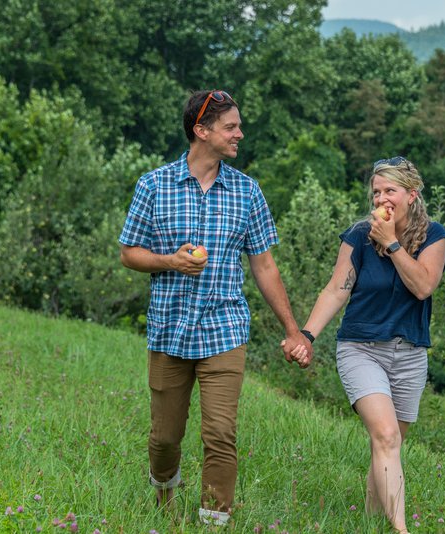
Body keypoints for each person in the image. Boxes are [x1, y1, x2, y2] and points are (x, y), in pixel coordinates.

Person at [119, 89, 312, 526]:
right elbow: (129, 253)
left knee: (221, 433)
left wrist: (293, 329)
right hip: (169, 329)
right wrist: (170, 261)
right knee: (165, 438)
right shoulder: (154, 186)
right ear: (201, 131)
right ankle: (164, 498)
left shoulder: (247, 191)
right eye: (231, 127)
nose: (239, 134)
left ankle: (213, 522)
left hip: (224, 329)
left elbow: (264, 266)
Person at [287, 157, 445, 534]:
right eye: (376, 192)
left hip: (410, 354)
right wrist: (307, 335)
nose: (381, 198)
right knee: (386, 436)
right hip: (360, 349)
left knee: (388, 445)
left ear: (411, 195)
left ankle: (372, 523)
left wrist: (392, 243)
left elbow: (423, 286)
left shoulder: (434, 236)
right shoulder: (360, 235)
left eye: (390, 190)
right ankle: (401, 529)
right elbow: (336, 289)